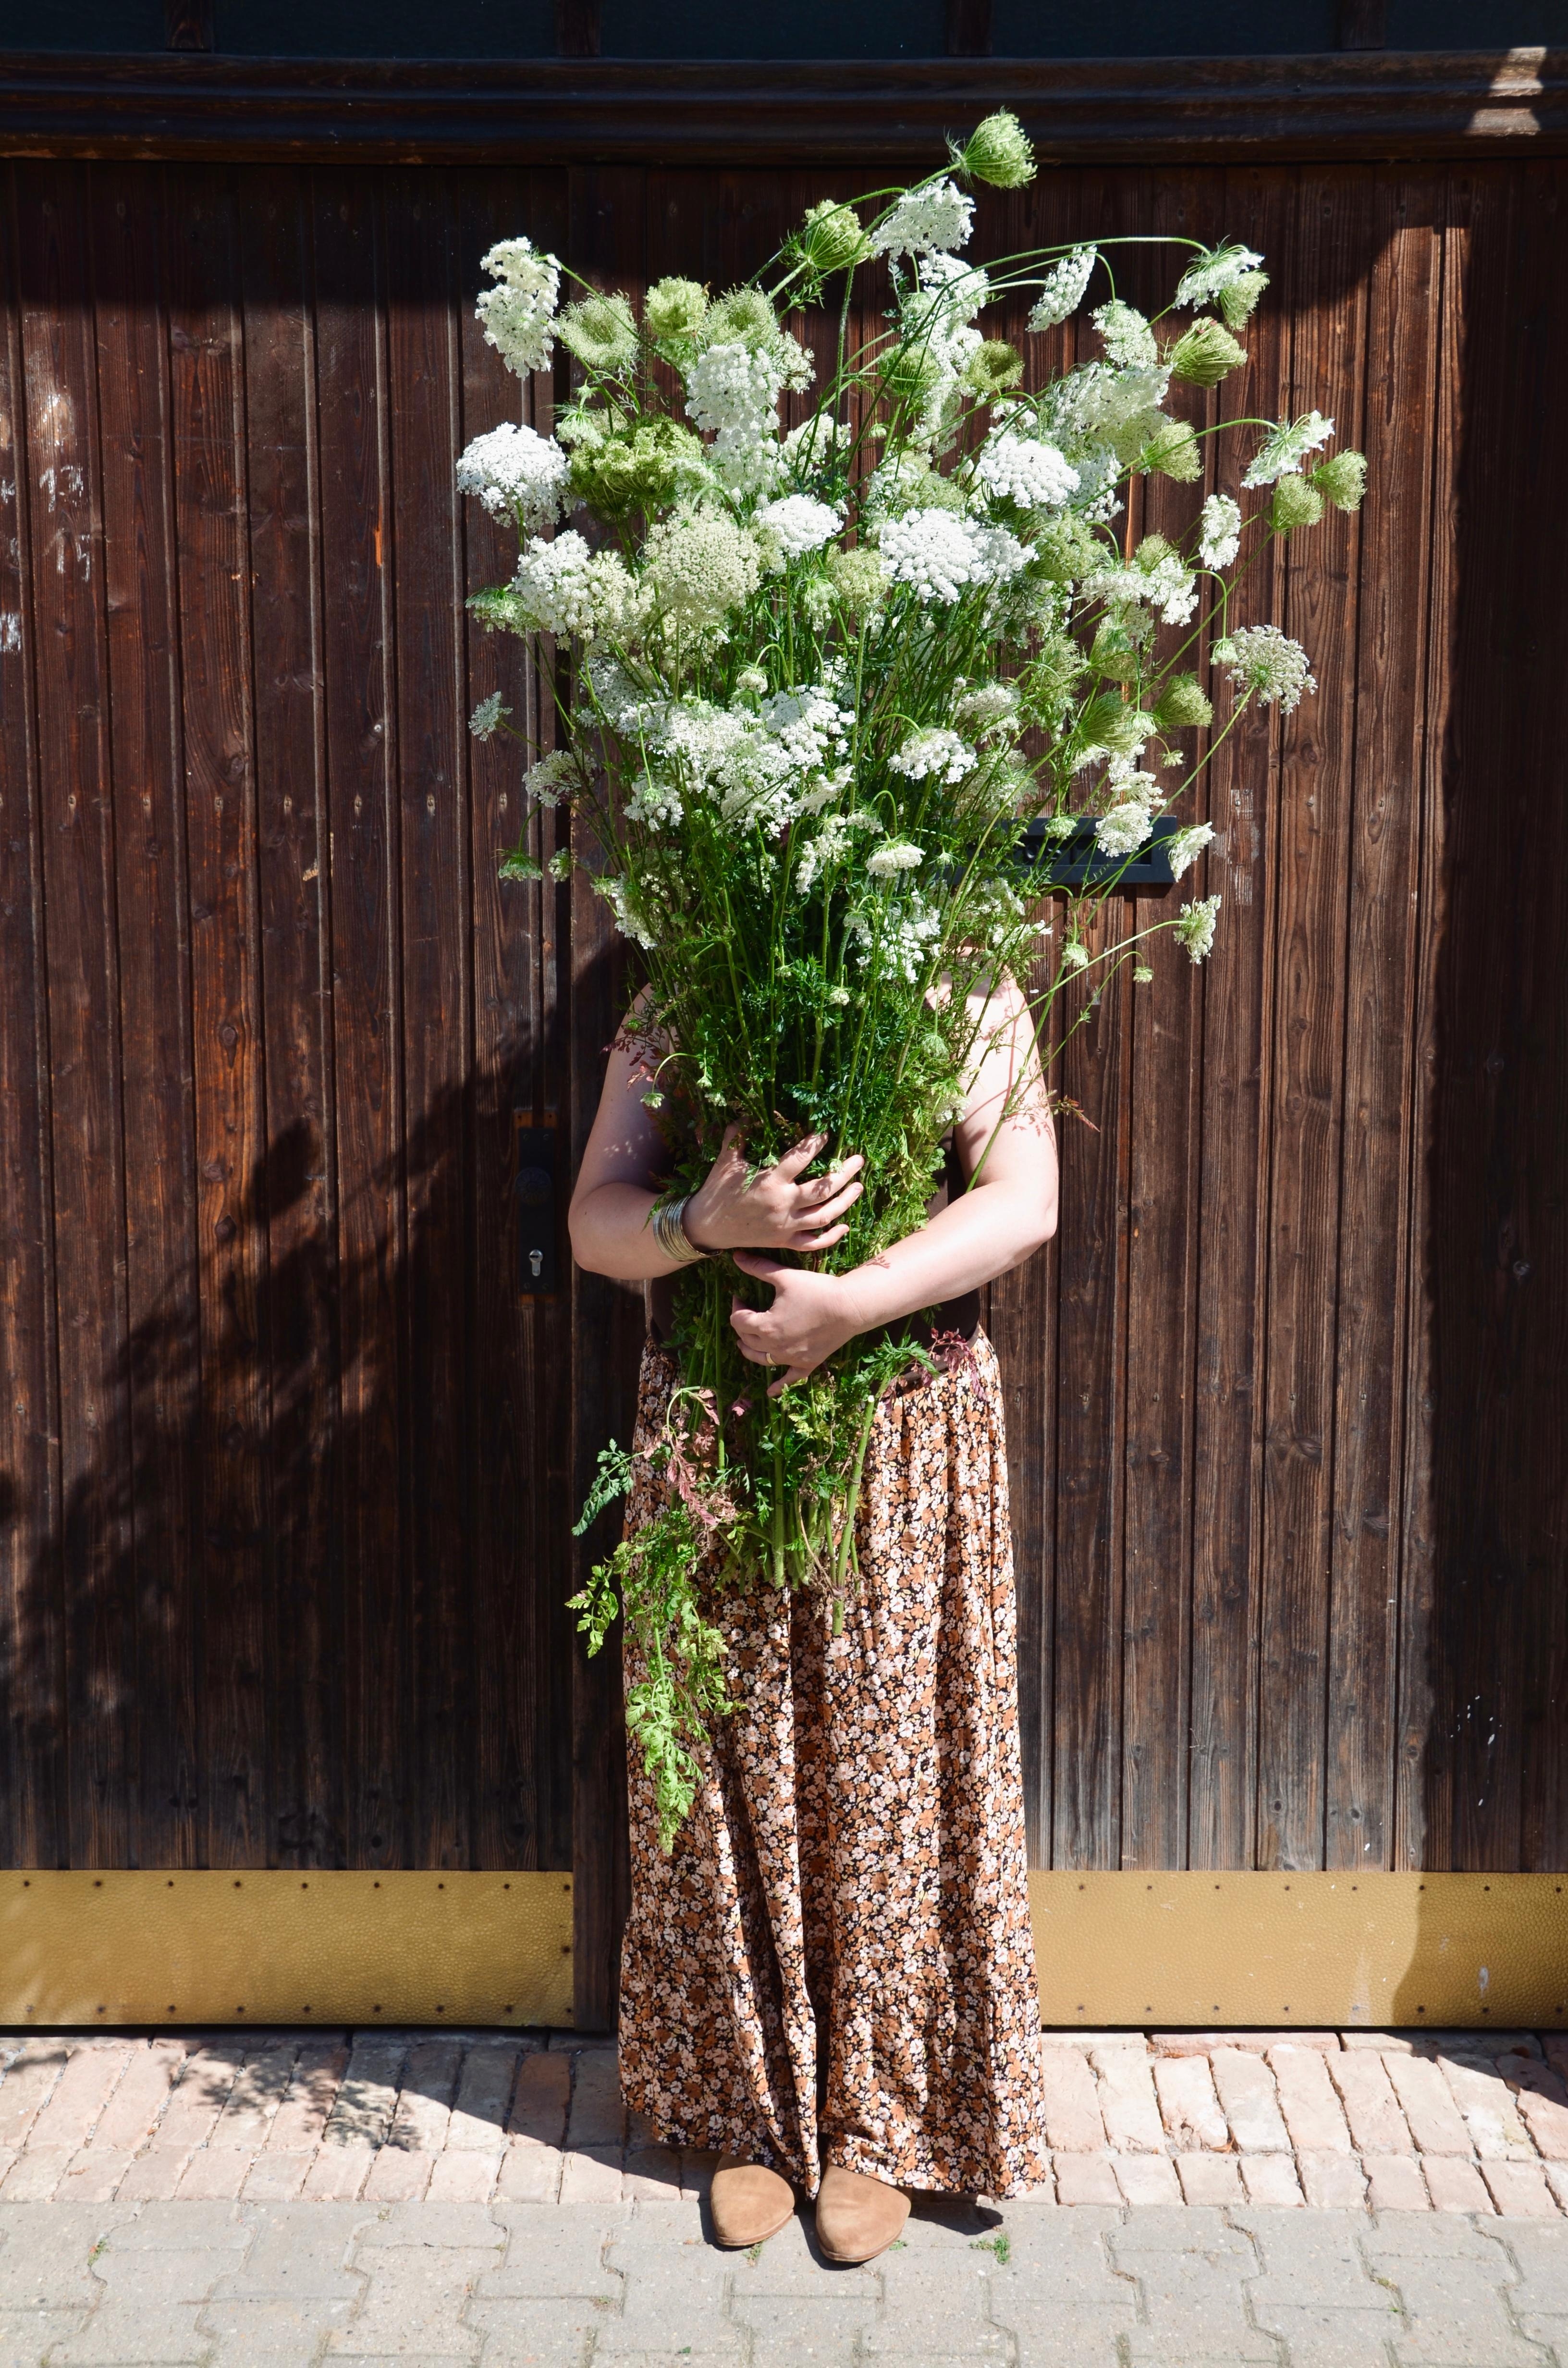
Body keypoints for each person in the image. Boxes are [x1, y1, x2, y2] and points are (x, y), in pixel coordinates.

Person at [568, 975, 1058, 2263]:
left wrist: (857, 1298)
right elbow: (596, 1223)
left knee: (889, 1757)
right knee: (728, 1757)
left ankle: (879, 2125)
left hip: (900, 1421)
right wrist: (696, 1220)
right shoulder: (684, 978)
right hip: (715, 1427)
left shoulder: (955, 965)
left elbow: (1025, 1196)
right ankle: (750, 2110)